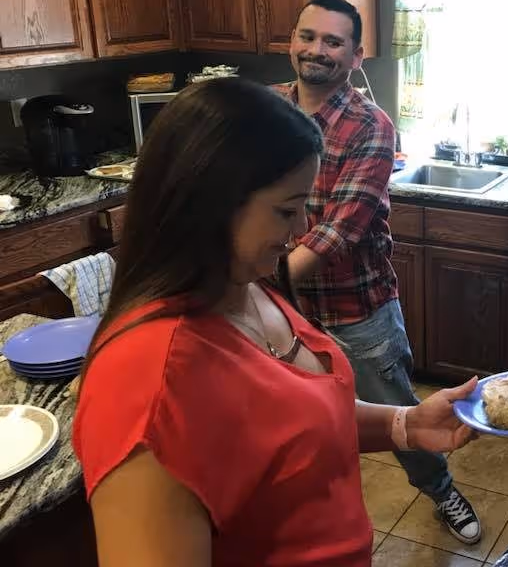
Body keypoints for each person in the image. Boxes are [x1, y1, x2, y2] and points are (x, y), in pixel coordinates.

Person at [73, 79, 477, 566]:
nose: (302, 229)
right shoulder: (147, 385)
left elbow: (297, 419)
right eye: (287, 209)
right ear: (209, 204)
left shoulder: (247, 284)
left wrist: (405, 423)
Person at [273, 0, 481, 543]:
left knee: (399, 419)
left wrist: (251, 285)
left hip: (355, 312)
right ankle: (314, 516)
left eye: (333, 41)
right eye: (308, 36)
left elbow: (337, 233)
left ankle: (440, 490)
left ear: (356, 55)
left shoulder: (371, 126)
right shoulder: (264, 112)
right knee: (295, 423)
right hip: (278, 311)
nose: (317, 50)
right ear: (291, 40)